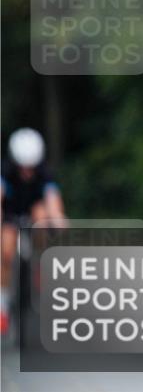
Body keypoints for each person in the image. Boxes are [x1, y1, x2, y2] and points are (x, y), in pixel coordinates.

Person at [1, 127, 67, 336]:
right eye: (23, 167)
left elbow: (52, 201)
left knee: (41, 214)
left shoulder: (45, 174)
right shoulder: (5, 172)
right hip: (10, 215)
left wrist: (58, 220)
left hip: (34, 213)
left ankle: (41, 261)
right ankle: (2, 304)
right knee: (6, 251)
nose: (27, 172)